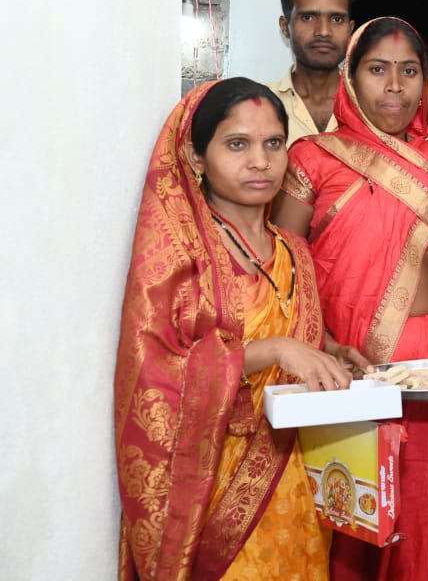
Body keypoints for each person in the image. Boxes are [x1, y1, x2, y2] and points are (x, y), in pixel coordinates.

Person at [271, 16, 428, 581]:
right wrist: (321, 346)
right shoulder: (313, 159)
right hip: (339, 366)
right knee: (350, 519)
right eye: (378, 69)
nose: (395, 85)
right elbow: (283, 272)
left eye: (408, 71)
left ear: (425, 81)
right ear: (351, 78)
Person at [114, 77, 370, 579]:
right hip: (212, 489)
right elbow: (156, 370)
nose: (260, 161)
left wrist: (329, 351)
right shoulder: (180, 255)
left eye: (273, 143)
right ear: (196, 156)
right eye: (237, 144)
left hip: (297, 482)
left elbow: (291, 328)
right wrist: (275, 349)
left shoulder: (295, 251)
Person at [269, 0, 357, 145]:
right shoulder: (259, 104)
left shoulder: (370, 105)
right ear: (285, 27)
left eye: (336, 19)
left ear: (350, 30)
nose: (324, 32)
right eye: (308, 17)